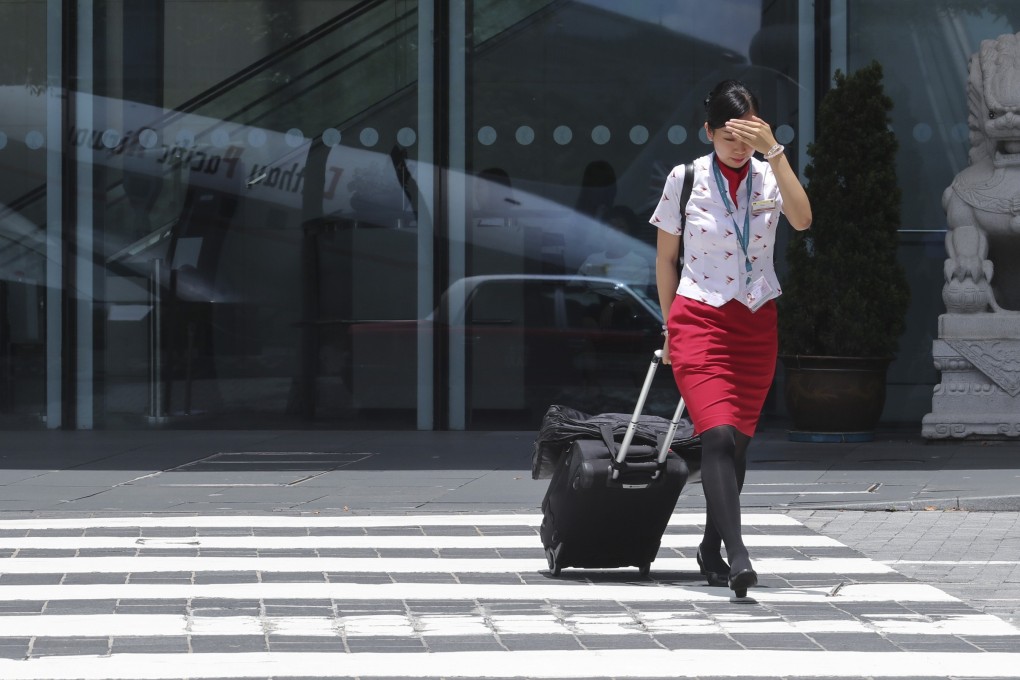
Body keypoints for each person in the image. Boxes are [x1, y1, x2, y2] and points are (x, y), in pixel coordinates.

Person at [650, 80, 812, 598]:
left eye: (747, 136)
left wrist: (777, 152)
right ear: (708, 132)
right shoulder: (687, 177)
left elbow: (804, 220)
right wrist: (668, 325)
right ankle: (738, 554)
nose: (738, 147)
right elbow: (665, 259)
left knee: (737, 443)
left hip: (756, 319)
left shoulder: (770, 175)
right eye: (727, 137)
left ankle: (709, 545)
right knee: (715, 436)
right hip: (698, 315)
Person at [577, 206, 652, 290]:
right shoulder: (593, 259)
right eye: (611, 226)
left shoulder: (638, 264)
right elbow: (575, 286)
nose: (614, 231)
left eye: (620, 227)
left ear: (630, 231)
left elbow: (635, 298)